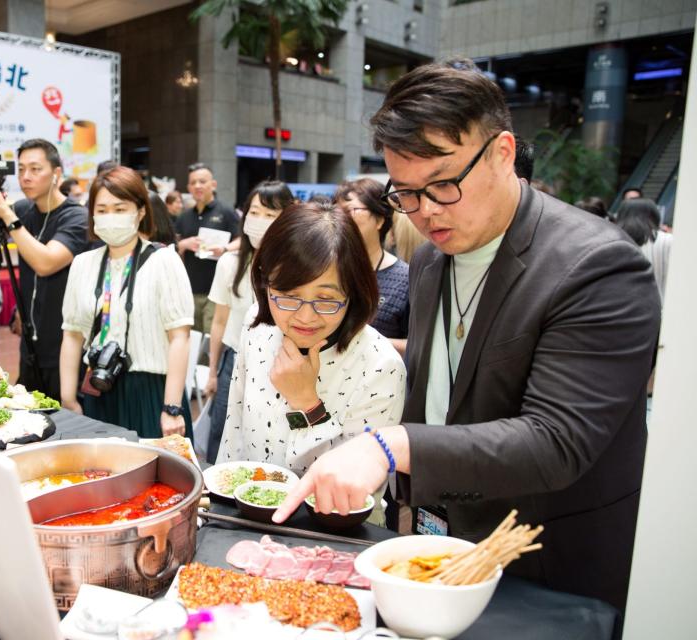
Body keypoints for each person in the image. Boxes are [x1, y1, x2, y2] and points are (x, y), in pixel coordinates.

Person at [275, 59, 660, 612]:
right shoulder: (432, 259)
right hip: (437, 547)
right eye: (405, 193)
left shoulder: (596, 266)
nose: (425, 212)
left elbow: (556, 440)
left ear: (503, 153)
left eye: (444, 184)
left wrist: (391, 445)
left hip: (541, 566)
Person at [216, 202, 406, 476]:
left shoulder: (380, 366)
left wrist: (308, 404)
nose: (305, 317)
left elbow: (357, 485)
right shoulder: (257, 324)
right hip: (244, 510)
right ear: (264, 283)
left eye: (326, 299)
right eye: (289, 296)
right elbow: (234, 430)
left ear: (353, 292)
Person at [59, 166, 195, 439]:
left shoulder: (164, 260)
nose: (110, 217)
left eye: (120, 209)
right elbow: (73, 335)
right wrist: (67, 397)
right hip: (99, 389)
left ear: (141, 212)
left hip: (151, 392)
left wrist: (172, 407)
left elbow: (180, 337)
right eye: (102, 209)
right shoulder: (83, 264)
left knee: (153, 477)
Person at [0, 138, 89, 401]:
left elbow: (45, 263)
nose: (26, 177)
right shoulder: (24, 210)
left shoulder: (75, 217)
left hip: (65, 343)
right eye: (21, 170)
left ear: (56, 173)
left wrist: (7, 216)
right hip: (30, 343)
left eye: (35, 169)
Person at [204, 180, 295, 463]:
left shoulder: (297, 266)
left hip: (281, 359)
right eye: (254, 213)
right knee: (222, 429)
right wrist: (212, 370)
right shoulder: (230, 263)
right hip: (233, 359)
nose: (260, 221)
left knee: (269, 432)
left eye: (271, 215)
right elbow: (219, 321)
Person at [336, 178, 409, 357]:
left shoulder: (405, 278)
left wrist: (365, 340)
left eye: (352, 210)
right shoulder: (328, 269)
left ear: (379, 220)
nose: (342, 217)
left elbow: (417, 344)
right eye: (338, 210)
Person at [174, 162, 241, 333]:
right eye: (193, 182)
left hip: (216, 291)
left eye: (202, 181)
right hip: (188, 291)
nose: (198, 186)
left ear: (213, 184)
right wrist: (184, 244)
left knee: (209, 339)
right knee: (191, 338)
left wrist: (225, 248)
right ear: (188, 187)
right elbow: (173, 246)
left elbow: (241, 240)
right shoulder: (184, 217)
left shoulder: (226, 212)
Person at [614, 198, 673, 303]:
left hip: (618, 308)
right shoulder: (668, 241)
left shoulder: (611, 239)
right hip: (660, 307)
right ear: (654, 216)